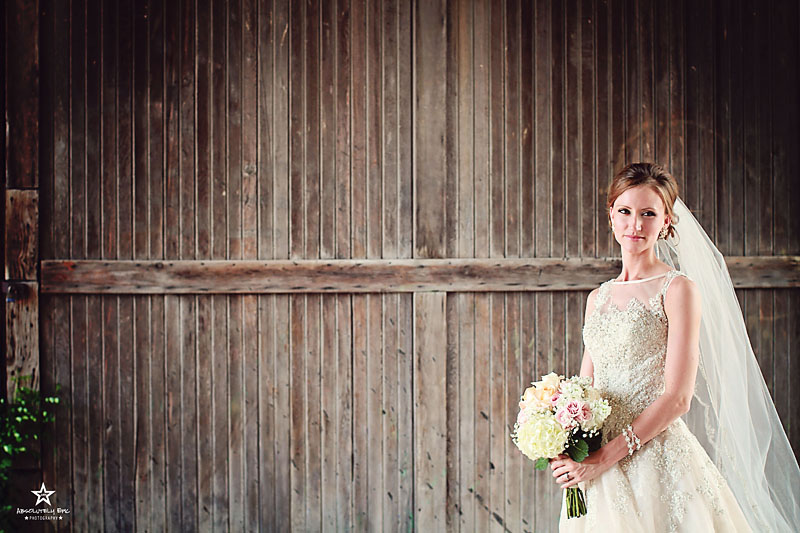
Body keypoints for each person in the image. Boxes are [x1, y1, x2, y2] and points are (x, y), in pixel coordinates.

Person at [550, 163, 800, 532]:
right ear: (611, 215)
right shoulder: (597, 298)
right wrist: (562, 442)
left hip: (654, 458)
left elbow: (678, 398)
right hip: (595, 468)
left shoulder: (678, 289)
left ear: (666, 221)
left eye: (648, 214)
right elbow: (583, 391)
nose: (635, 224)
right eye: (625, 211)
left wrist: (603, 458)